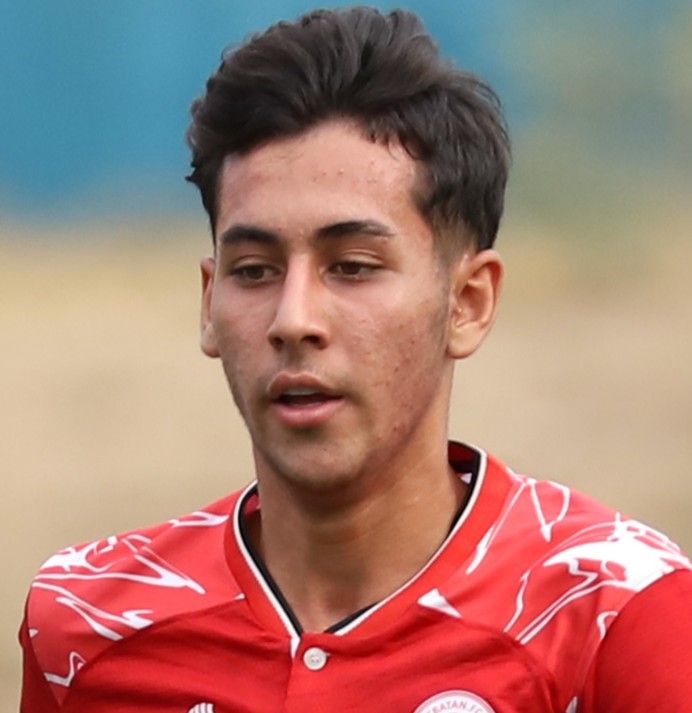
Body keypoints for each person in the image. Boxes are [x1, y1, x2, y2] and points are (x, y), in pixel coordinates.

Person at [19, 6, 692, 712]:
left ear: (467, 302)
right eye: (254, 270)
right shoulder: (87, 623)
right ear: (209, 302)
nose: (294, 320)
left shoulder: (617, 613)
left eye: (353, 266)